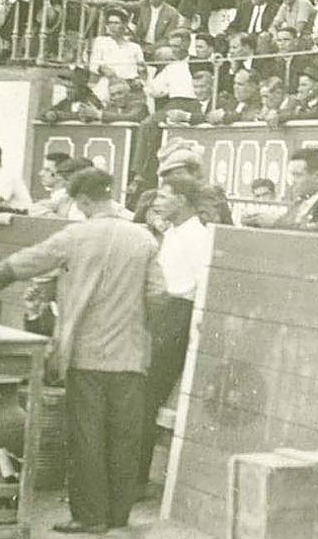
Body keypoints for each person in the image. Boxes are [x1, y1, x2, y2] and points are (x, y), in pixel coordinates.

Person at [0, 168, 164, 535]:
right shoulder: (143, 238)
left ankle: (90, 518)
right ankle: (118, 516)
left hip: (87, 354)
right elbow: (158, 294)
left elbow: (33, 259)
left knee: (87, 436)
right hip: (131, 356)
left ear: (85, 200)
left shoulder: (77, 234)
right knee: (124, 437)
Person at [136, 173, 211, 490]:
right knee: (143, 397)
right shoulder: (178, 232)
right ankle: (134, 479)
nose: (157, 202)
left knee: (146, 397)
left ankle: (135, 482)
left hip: (177, 316)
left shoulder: (197, 236)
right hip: (164, 314)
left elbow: (203, 286)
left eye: (164, 197)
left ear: (182, 200)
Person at [243, 147, 318, 233]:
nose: (293, 181)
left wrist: (275, 223)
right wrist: (256, 220)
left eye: (298, 175)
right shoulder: (302, 201)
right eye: (292, 175)